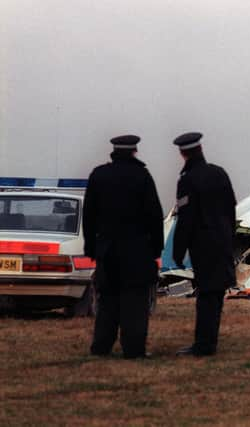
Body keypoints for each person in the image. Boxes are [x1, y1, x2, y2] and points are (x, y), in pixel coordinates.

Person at [83, 135, 164, 359]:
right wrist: (156, 248)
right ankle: (134, 349)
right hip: (137, 251)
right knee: (135, 303)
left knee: (107, 300)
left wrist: (91, 248)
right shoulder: (142, 176)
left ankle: (101, 346)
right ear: (134, 151)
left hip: (107, 251)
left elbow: (88, 216)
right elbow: (154, 216)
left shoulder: (99, 175)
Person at [172, 132, 236, 356]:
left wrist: (177, 251)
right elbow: (231, 209)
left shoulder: (187, 180)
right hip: (223, 242)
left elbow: (185, 219)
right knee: (215, 296)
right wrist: (230, 238)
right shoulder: (219, 174)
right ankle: (208, 341)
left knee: (207, 296)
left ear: (183, 153)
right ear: (200, 149)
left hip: (203, 247)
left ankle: (204, 345)